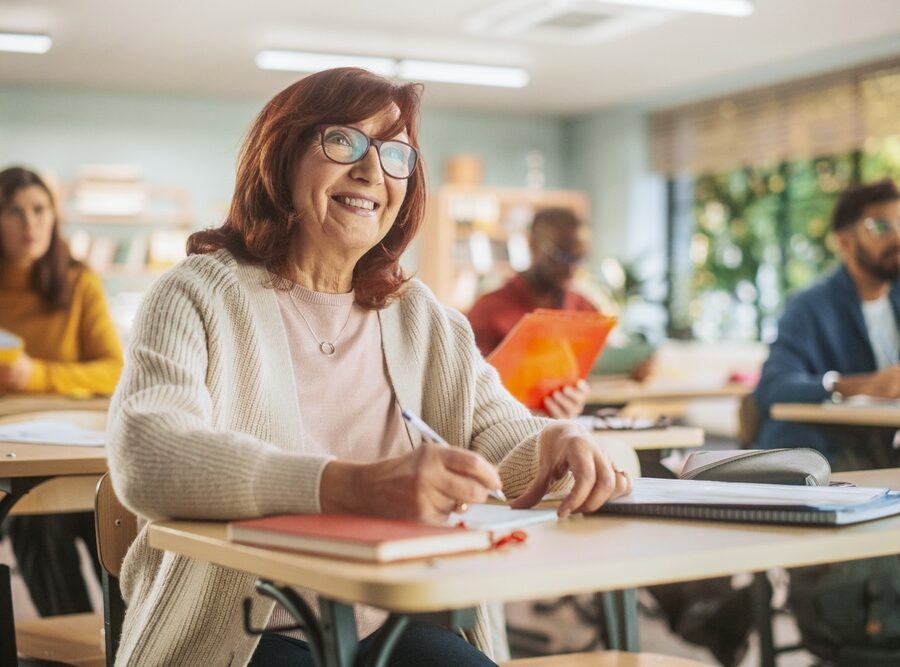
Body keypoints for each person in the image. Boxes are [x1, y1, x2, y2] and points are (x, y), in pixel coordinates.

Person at [107, 67, 632, 667]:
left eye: (395, 154)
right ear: (280, 158)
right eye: (343, 142)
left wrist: (558, 440)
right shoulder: (196, 294)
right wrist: (351, 487)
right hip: (243, 630)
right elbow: (146, 457)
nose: (371, 171)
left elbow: (505, 447)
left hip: (385, 624)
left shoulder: (423, 318)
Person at [0, 165, 123, 616]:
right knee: (35, 524)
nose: (30, 224)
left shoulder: (79, 282)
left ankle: (128, 645)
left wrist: (37, 376)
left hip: (81, 449)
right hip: (20, 457)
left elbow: (114, 371)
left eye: (39, 210)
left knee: (114, 524)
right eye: (13, 211)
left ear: (54, 218)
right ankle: (67, 646)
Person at [754, 178, 900, 469]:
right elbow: (773, 388)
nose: (897, 237)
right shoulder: (809, 307)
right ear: (844, 241)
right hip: (835, 454)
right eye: (881, 226)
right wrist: (859, 385)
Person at [467, 208, 596, 419]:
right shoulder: (489, 310)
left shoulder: (584, 308)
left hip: (569, 423)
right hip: (504, 428)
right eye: (562, 256)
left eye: (579, 258)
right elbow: (469, 390)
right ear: (533, 245)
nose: (571, 269)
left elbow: (596, 370)